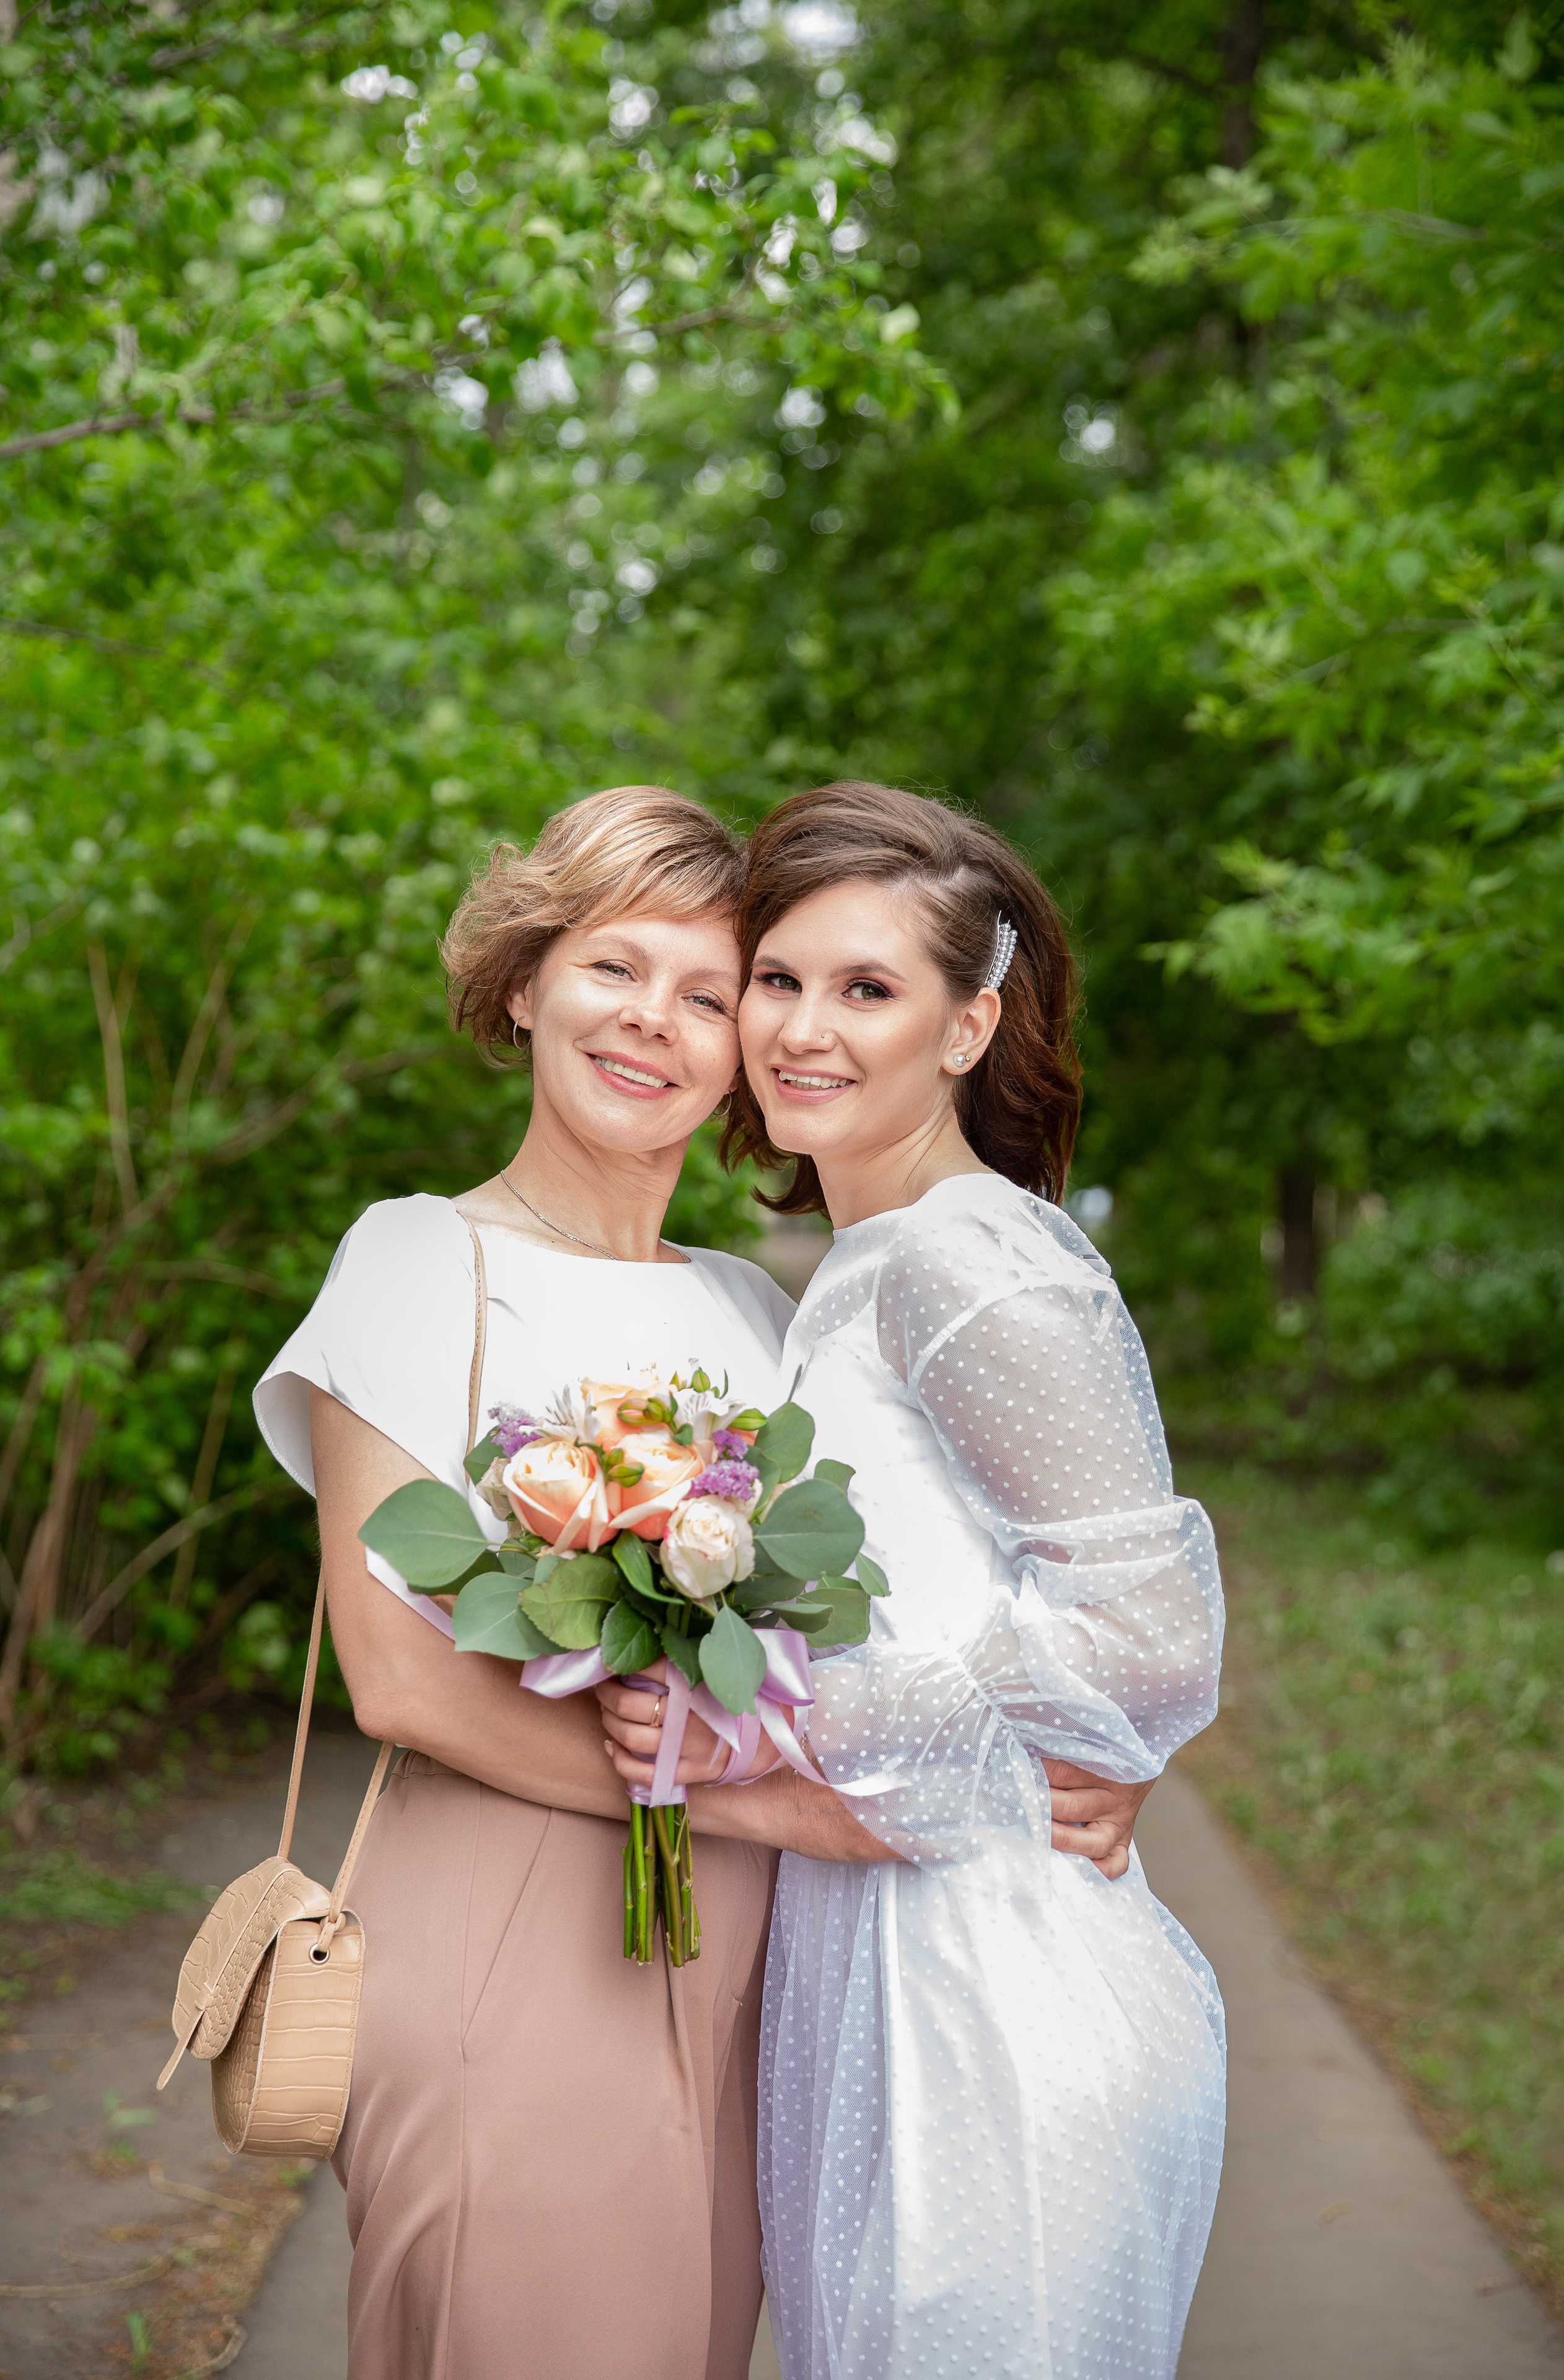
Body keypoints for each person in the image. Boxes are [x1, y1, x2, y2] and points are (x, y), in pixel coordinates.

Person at [252, 784, 1149, 2380]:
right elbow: (395, 1678)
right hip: (519, 1913)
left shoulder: (755, 1306)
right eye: (610, 969)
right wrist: (751, 1803)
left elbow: (936, 1598)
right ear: (523, 985)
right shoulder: (415, 1257)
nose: (653, 1024)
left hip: (766, 1957)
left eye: (709, 992)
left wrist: (1047, 1756)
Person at [606, 782, 1225, 2380]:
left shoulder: (970, 1255)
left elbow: (1144, 1632)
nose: (801, 1029)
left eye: (867, 989)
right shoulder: (863, 1261)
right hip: (885, 1960)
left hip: (993, 1992)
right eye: (781, 980)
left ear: (966, 1028)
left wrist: (748, 1756)